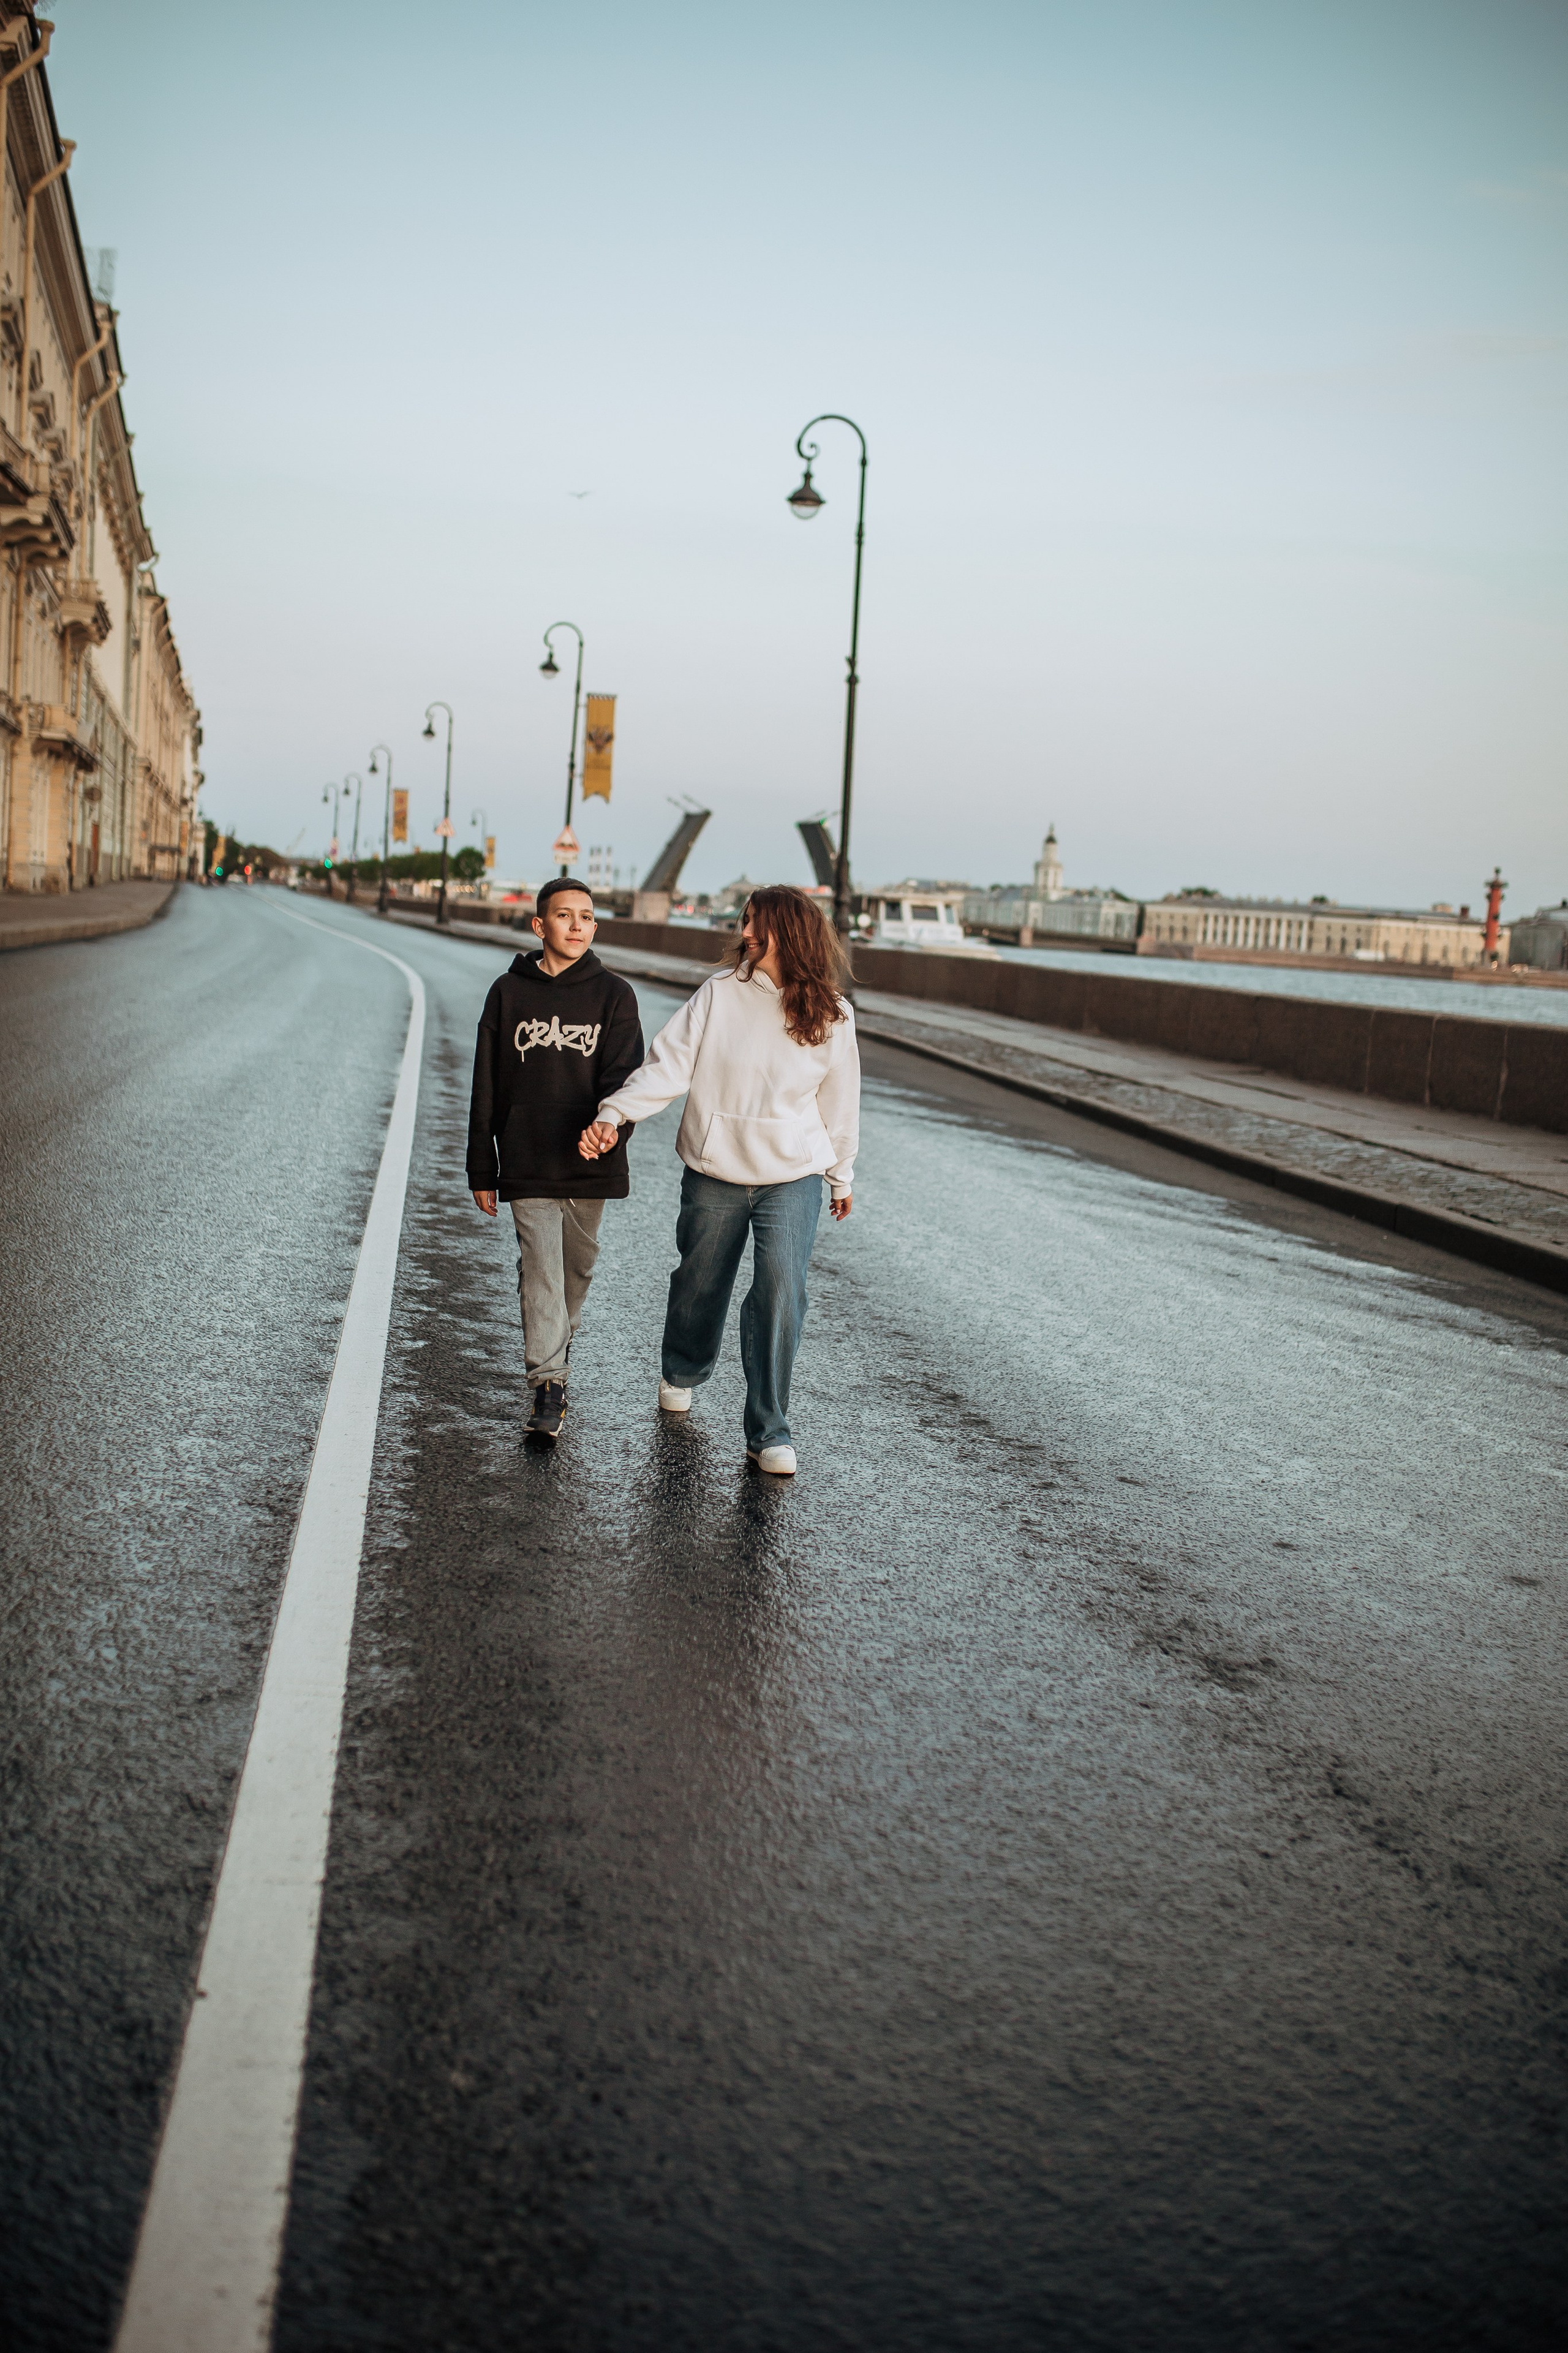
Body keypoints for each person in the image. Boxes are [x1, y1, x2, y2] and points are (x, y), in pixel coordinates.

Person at [579, 885, 859, 1477]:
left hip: (795, 1173)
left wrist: (840, 1175)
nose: (747, 933)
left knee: (781, 1288)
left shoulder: (833, 1013)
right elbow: (668, 1065)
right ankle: (683, 1366)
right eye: (746, 922)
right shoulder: (720, 995)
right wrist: (615, 1112)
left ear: (793, 933)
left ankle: (769, 1429)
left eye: (759, 925)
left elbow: (841, 1102)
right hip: (716, 1165)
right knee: (700, 1282)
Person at [467, 877, 644, 1442]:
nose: (576, 925)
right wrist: (482, 1166)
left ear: (595, 927)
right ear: (539, 926)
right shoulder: (508, 993)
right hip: (527, 1155)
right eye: (564, 916)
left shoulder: (615, 995)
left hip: (590, 1162)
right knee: (540, 1265)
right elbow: (486, 1084)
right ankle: (549, 1383)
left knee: (575, 1270)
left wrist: (612, 1127)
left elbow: (627, 1079)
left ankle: (556, 1343)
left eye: (586, 917)